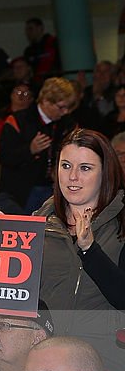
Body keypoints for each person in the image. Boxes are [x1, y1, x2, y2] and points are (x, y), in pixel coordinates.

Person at [36, 129, 125, 351]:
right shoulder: (39, 220)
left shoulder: (122, 222)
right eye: (65, 166)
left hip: (105, 351)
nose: (73, 176)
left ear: (105, 172)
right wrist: (3, 246)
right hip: (44, 348)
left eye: (85, 168)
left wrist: (89, 250)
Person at [0, 77, 78, 211]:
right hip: (22, 191)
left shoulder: (68, 124)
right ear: (46, 101)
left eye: (68, 107)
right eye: (61, 107)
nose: (65, 112)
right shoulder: (17, 120)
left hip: (54, 189)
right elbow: (4, 157)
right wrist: (30, 150)